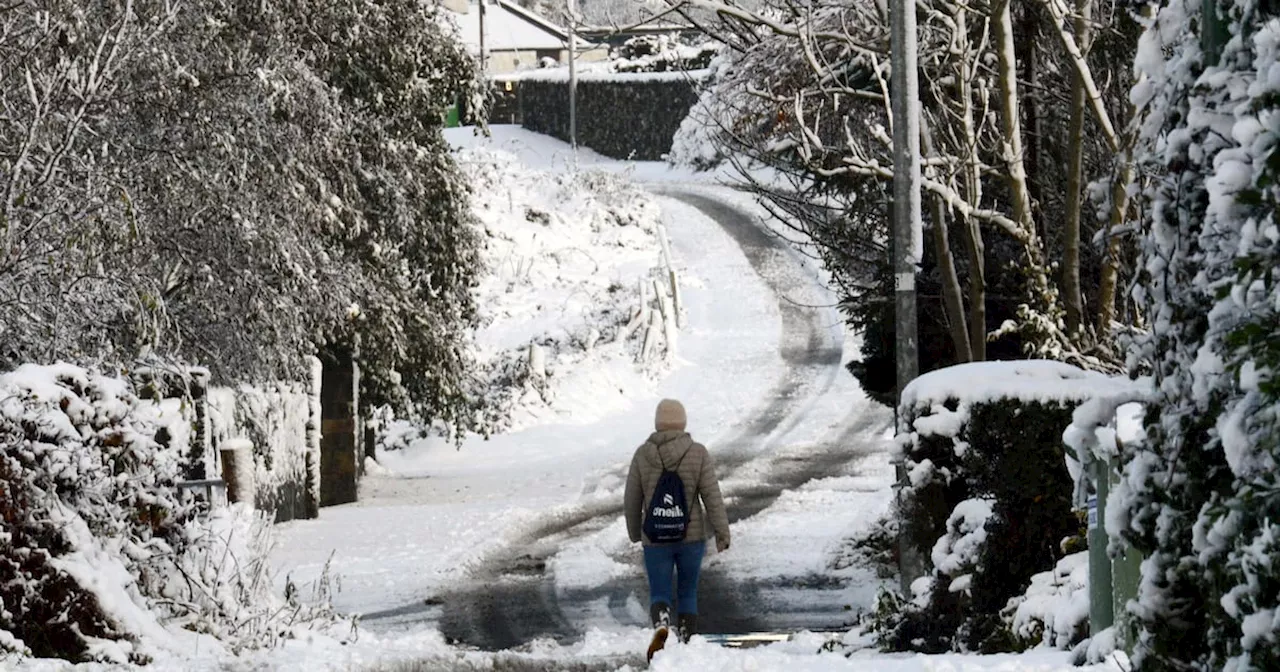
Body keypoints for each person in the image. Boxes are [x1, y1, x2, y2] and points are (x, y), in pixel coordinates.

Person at [624, 398, 730, 660]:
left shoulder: (642, 454)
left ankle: (661, 623)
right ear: (683, 422)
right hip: (691, 537)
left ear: (657, 423)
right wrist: (721, 532)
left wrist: (635, 531)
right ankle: (687, 642)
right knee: (687, 591)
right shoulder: (697, 452)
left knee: (659, 591)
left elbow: (632, 498)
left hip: (655, 536)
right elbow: (711, 495)